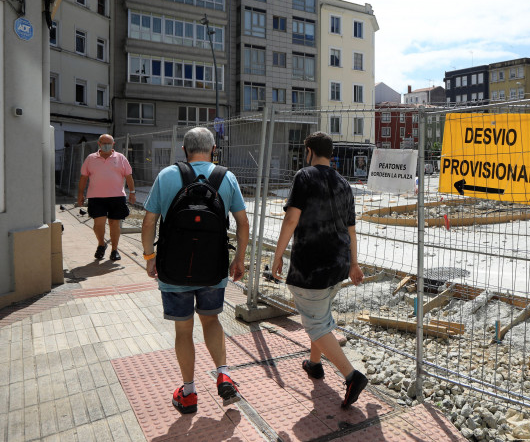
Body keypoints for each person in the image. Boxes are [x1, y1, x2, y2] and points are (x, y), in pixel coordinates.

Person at [141, 127, 250, 415]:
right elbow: (242, 223)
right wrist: (238, 259)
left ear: (184, 151)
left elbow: (149, 221)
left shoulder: (166, 176)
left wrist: (150, 256)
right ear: (213, 148)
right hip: (213, 268)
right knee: (211, 321)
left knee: (183, 329)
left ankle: (188, 393)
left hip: (173, 269)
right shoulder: (227, 177)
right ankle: (224, 375)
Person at [272, 131, 368, 409]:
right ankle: (314, 363)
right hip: (337, 264)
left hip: (310, 266)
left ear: (309, 150)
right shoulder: (343, 183)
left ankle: (352, 377)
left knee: (315, 322)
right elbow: (351, 229)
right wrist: (353, 263)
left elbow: (291, 219)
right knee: (320, 315)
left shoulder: (304, 176)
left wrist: (277, 257)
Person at [77, 134, 137, 261]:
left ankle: (114, 250)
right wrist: (80, 194)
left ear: (113, 144)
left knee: (114, 224)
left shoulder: (120, 158)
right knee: (98, 224)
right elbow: (83, 177)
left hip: (117, 197)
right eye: (103, 143)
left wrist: (132, 192)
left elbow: (128, 176)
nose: (106, 145)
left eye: (109, 143)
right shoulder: (90, 158)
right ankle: (101, 244)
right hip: (96, 197)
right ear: (99, 144)